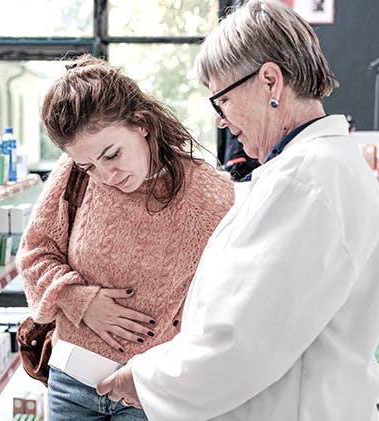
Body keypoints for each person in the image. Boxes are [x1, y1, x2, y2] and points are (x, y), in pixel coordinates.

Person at [96, 1, 379, 420]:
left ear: (270, 82)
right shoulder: (308, 169)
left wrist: (145, 378)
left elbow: (244, 343)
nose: (220, 121)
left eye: (222, 100)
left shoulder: (307, 181)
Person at [16, 55, 234, 420]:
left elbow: (226, 300)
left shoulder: (209, 195)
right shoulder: (74, 174)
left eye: (112, 154)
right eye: (89, 166)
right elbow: (34, 253)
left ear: (141, 124)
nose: (105, 175)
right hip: (70, 383)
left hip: (149, 392)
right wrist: (81, 301)